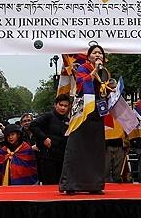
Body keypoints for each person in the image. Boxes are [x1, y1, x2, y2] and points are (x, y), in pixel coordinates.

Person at [60, 45, 107, 194]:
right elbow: (81, 84)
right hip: (82, 111)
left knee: (95, 148)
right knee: (76, 147)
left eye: (100, 53)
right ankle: (71, 184)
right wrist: (94, 71)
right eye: (95, 53)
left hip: (96, 113)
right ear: (89, 56)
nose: (98, 55)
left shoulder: (104, 71)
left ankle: (94, 184)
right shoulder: (82, 68)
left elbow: (105, 88)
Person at [30, 94, 69, 185]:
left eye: (65, 106)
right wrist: (44, 138)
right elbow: (33, 125)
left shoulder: (67, 120)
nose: (63, 108)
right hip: (48, 158)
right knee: (49, 186)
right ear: (55, 105)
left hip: (62, 158)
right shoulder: (48, 116)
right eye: (61, 105)